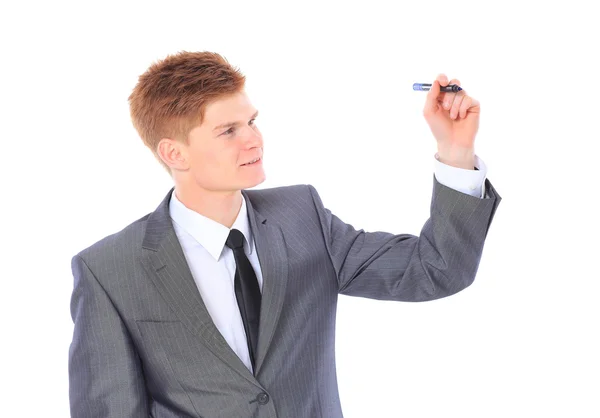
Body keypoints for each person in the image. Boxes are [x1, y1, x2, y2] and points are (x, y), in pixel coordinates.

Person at [68, 51, 502, 418]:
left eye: (252, 121)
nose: (254, 140)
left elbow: (437, 270)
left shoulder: (303, 217)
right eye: (229, 130)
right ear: (173, 152)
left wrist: (456, 151)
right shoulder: (111, 269)